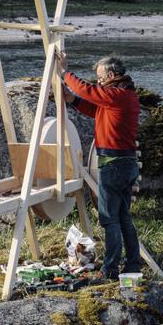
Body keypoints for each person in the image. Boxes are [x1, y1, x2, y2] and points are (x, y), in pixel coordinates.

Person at [61, 52, 142, 280]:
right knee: (123, 216)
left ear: (111, 75)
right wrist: (73, 101)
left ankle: (110, 269)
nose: (98, 82)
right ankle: (133, 264)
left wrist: (64, 72)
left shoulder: (117, 94)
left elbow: (89, 91)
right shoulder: (124, 95)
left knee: (110, 219)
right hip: (126, 163)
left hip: (113, 163)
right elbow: (95, 110)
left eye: (100, 78)